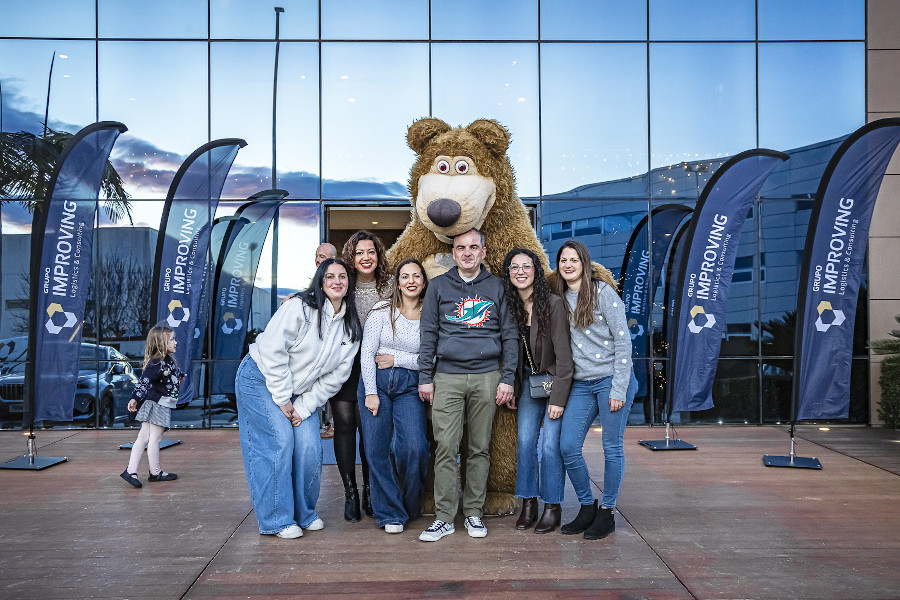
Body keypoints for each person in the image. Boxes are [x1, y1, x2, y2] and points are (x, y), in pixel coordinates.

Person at [234, 258, 361, 539]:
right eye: (329, 276)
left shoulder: (350, 328)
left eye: (342, 276)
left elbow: (335, 378)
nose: (337, 281)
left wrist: (301, 409)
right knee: (279, 441)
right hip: (261, 377)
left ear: (349, 283)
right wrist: (283, 399)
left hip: (299, 393)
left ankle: (304, 513)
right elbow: (273, 350)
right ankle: (276, 519)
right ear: (320, 281)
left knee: (308, 446)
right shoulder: (300, 308)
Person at [417, 228, 518, 542]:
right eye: (461, 248)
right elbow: (428, 334)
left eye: (474, 247)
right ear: (454, 253)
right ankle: (445, 518)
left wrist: (508, 378)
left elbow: (510, 335)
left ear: (483, 252)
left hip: (487, 376)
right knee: (445, 448)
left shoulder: (498, 287)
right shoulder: (438, 286)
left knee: (479, 448)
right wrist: (425, 377)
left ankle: (473, 512)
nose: (467, 253)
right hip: (446, 377)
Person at [554, 240, 637, 541]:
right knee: (567, 446)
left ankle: (608, 511)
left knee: (611, 447)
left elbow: (624, 341)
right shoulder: (559, 297)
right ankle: (587, 506)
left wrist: (618, 388)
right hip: (581, 383)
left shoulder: (602, 293)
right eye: (563, 260)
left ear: (584, 263)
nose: (568, 265)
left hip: (611, 379)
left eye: (574, 259)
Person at [502, 248, 574, 534]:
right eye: (514, 267)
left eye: (526, 266)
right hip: (529, 385)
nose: (520, 271)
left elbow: (565, 357)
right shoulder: (509, 306)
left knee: (550, 445)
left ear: (536, 270)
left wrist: (559, 398)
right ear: (508, 273)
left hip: (555, 382)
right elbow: (511, 355)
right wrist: (513, 387)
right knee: (525, 441)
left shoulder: (553, 304)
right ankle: (529, 503)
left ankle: (552, 507)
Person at [359, 259, 431, 534]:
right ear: (398, 282)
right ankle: (390, 513)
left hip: (409, 387)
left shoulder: (431, 315)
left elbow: (432, 358)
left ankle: (409, 505)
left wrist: (397, 359)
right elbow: (367, 353)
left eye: (416, 276)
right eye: (405, 276)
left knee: (414, 448)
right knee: (377, 450)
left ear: (424, 281)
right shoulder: (381, 310)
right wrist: (370, 393)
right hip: (376, 383)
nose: (411, 281)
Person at [333, 230, 392, 522]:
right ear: (351, 257)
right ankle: (350, 493)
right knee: (345, 427)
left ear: (379, 255)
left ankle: (370, 491)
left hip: (377, 365)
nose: (365, 257)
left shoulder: (391, 285)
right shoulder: (345, 283)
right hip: (344, 365)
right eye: (359, 253)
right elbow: (317, 294)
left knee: (370, 430)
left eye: (371, 251)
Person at [120, 325, 185, 488]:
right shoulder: (156, 363)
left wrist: (179, 377)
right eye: (172, 339)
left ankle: (132, 471)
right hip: (158, 404)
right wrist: (135, 398)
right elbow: (144, 381)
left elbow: (169, 376)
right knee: (154, 439)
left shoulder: (166, 361)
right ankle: (154, 472)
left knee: (144, 438)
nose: (175, 342)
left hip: (156, 403)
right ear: (161, 342)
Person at [315, 242, 338, 440]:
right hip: (319, 344)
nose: (318, 260)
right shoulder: (316, 280)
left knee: (333, 384)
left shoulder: (337, 282)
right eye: (317, 256)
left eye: (322, 256)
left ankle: (333, 424)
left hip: (335, 344)